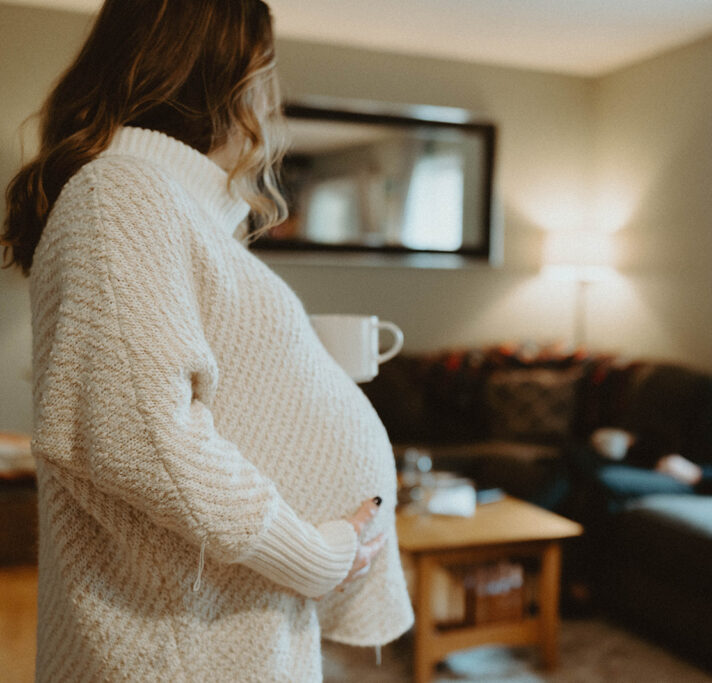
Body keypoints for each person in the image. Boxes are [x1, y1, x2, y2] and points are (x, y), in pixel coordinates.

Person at [1, 2, 412, 680]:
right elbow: (139, 434)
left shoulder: (165, 204)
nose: (268, 98)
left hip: (222, 632)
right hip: (181, 651)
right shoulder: (120, 194)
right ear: (224, 76)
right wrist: (310, 553)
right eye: (264, 71)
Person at [575, 311, 712, 509]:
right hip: (670, 463)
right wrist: (635, 442)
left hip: (701, 483)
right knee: (582, 455)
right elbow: (681, 434)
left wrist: (699, 475)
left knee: (606, 481)